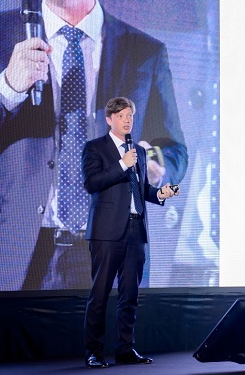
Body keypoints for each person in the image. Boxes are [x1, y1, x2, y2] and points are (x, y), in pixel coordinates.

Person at [0, 0, 187, 292]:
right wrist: (8, 87)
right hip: (10, 258)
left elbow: (175, 151)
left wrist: (153, 162)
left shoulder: (144, 51)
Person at [83, 96, 177, 368]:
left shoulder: (139, 152)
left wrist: (159, 194)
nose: (127, 121)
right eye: (121, 116)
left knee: (130, 295)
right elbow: (91, 183)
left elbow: (140, 188)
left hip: (136, 229)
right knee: (100, 294)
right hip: (106, 232)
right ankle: (94, 352)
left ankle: (125, 349)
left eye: (130, 116)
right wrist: (122, 164)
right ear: (109, 119)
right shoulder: (95, 148)